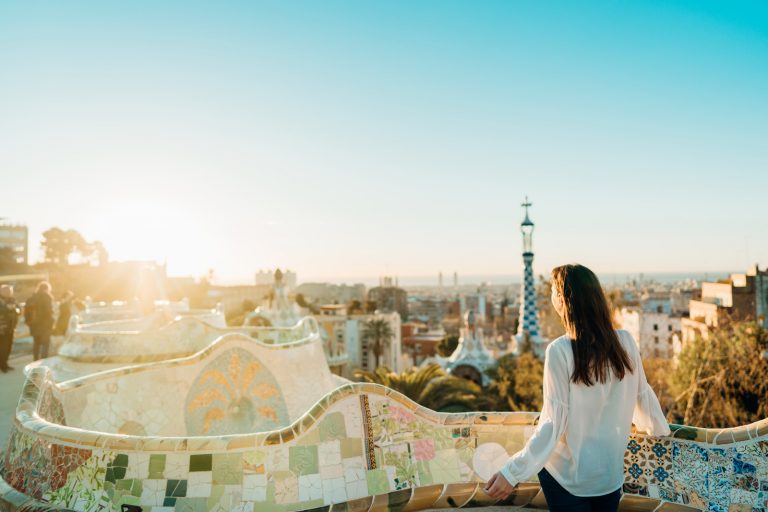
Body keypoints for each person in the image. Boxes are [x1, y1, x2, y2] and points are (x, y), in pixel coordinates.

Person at [484, 264, 670, 512]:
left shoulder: (560, 351)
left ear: (562, 299)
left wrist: (511, 472)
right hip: (609, 475)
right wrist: (661, 432)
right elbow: (642, 399)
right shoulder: (625, 341)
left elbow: (552, 424)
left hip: (566, 476)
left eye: (552, 291)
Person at [26, 281, 55, 360]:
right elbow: (49, 311)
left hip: (34, 325)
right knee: (45, 344)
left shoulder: (31, 298)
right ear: (47, 289)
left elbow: (26, 311)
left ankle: (35, 360)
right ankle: (44, 361)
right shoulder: (47, 297)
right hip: (45, 325)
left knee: (36, 344)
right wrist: (52, 322)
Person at [0, 285, 21, 372]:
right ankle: (3, 366)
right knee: (3, 347)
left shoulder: (12, 299)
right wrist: (6, 308)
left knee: (8, 347)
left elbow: (18, 308)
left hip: (11, 327)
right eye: (8, 291)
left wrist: (16, 309)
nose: (10, 293)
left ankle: (5, 364)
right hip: (2, 327)